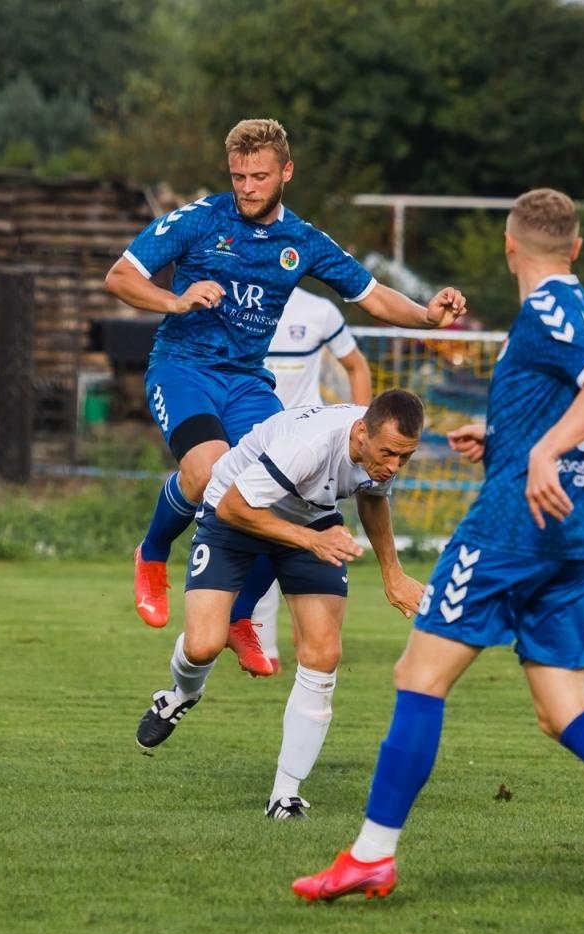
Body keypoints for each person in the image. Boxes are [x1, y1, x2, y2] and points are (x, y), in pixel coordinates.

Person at [291, 189, 584, 924]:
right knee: (563, 711)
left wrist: (541, 453)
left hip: (510, 532)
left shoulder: (547, 309)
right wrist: (510, 442)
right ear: (577, 248)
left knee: (418, 676)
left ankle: (370, 854)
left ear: (509, 247)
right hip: (574, 532)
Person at [105, 118, 464, 679]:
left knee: (288, 492)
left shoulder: (301, 240)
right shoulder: (200, 220)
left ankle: (241, 616)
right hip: (184, 368)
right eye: (238, 176)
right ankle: (152, 554)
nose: (247, 187)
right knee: (206, 475)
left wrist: (426, 316)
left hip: (248, 379)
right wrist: (175, 302)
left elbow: (370, 296)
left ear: (286, 173)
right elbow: (121, 277)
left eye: (259, 176)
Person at [135, 390, 426, 821]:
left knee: (324, 653)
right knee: (202, 646)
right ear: (361, 432)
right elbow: (236, 507)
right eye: (388, 455)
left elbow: (372, 498)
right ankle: (179, 694)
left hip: (311, 517)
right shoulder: (308, 446)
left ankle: (285, 796)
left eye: (404, 459)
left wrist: (393, 575)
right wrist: (312, 541)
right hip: (234, 512)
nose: (392, 467)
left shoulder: (382, 448)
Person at [234, 287, 373, 676]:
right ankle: (262, 643)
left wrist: (364, 430)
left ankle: (300, 640)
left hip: (315, 451)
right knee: (259, 535)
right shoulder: (238, 304)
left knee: (306, 540)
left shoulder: (319, 311)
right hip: (258, 442)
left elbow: (357, 366)